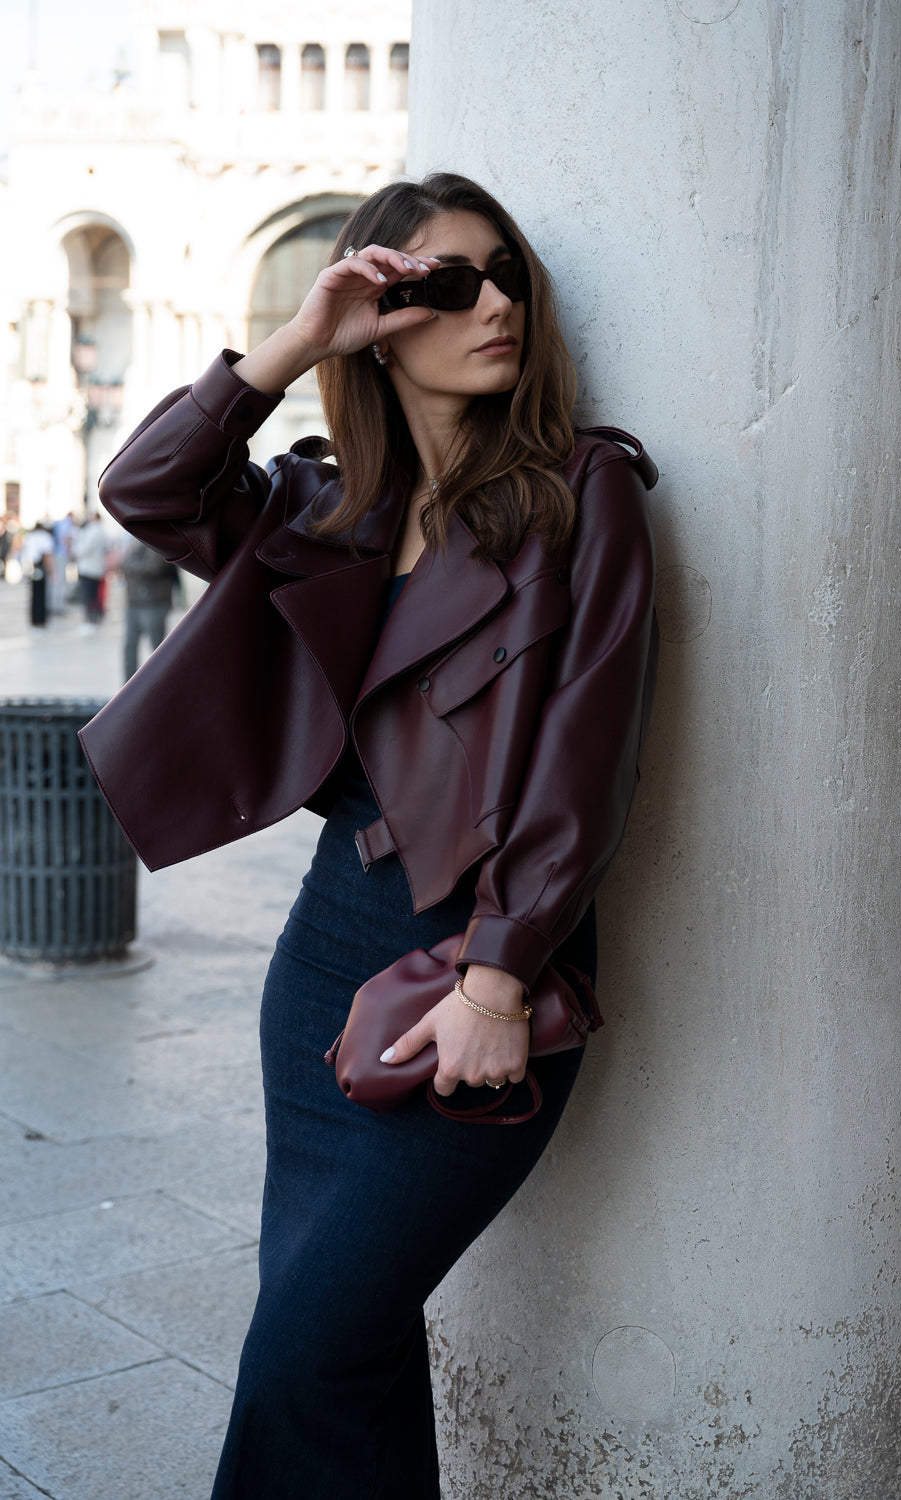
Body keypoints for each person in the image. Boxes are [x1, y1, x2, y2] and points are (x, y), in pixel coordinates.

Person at [80, 172, 658, 1498]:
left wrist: (499, 976)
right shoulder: (316, 507)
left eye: (506, 273)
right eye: (447, 283)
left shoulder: (580, 492)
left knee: (306, 1354)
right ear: (380, 317)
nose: (495, 303)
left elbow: (586, 756)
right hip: (323, 959)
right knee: (351, 1352)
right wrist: (293, 342)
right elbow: (149, 487)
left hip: (470, 967)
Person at [118, 538, 177, 679]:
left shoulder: (160, 541)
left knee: (157, 649)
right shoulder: (136, 542)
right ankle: (128, 687)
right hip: (134, 601)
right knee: (129, 646)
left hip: (154, 602)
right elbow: (124, 564)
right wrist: (130, 565)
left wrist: (130, 566)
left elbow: (153, 567)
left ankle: (160, 682)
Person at [74, 510, 112, 627]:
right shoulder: (92, 530)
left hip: (91, 568)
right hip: (90, 567)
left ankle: (92, 618)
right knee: (90, 594)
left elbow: (86, 548)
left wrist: (75, 550)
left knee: (90, 595)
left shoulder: (95, 531)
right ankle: (92, 617)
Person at [19, 523, 54, 626]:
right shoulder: (44, 537)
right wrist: (51, 571)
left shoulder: (30, 537)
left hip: (32, 566)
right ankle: (40, 618)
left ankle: (35, 618)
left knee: (34, 594)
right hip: (39, 566)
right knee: (41, 594)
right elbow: (46, 555)